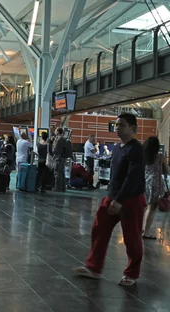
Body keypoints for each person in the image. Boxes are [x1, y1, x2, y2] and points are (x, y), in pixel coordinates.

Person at [74, 113, 146, 287]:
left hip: (131, 199)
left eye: (121, 125)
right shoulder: (117, 147)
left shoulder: (136, 149)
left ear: (133, 128)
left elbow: (133, 177)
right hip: (112, 197)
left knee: (132, 237)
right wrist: (112, 196)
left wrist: (120, 200)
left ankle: (131, 274)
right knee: (99, 229)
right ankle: (94, 267)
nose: (117, 128)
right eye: (116, 124)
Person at [142, 136, 168, 240]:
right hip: (155, 183)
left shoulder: (142, 156)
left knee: (145, 207)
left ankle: (142, 229)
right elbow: (167, 171)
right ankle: (146, 232)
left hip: (144, 182)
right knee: (151, 208)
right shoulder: (160, 157)